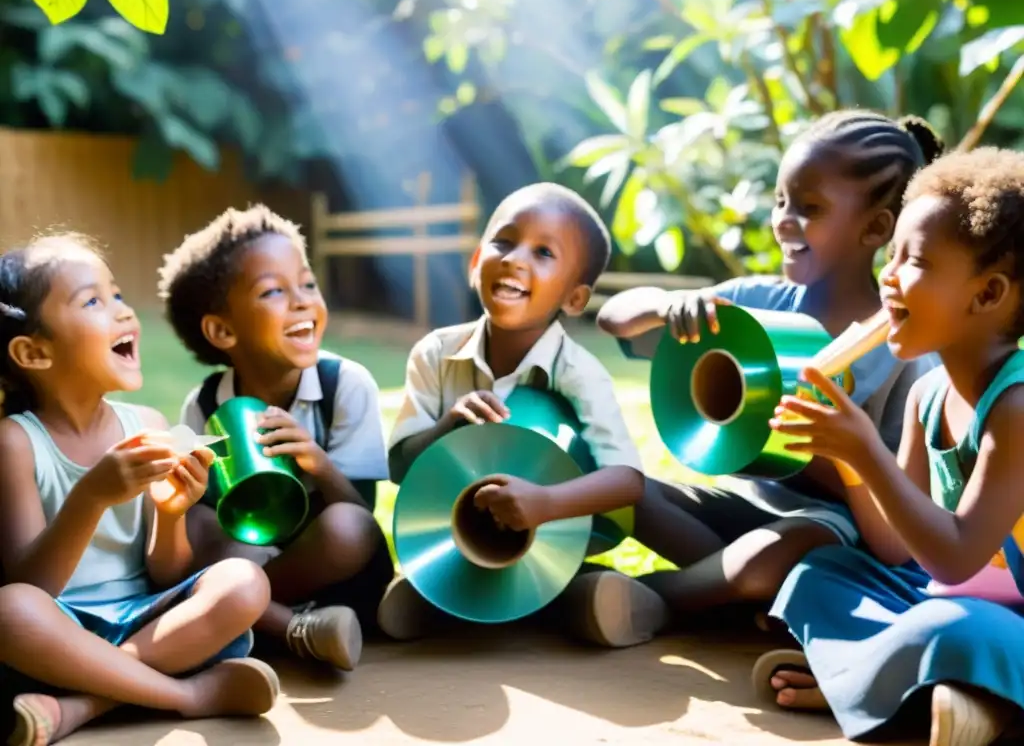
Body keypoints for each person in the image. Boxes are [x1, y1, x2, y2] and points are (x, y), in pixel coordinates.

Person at [594, 110, 943, 646]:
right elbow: (613, 318)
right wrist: (666, 305)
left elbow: (896, 514)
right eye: (781, 201)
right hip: (743, 510)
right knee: (629, 492)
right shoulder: (755, 303)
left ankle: (658, 595)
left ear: (876, 229)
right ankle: (728, 599)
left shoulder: (901, 352)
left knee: (781, 550)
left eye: (809, 209)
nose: (783, 221)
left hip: (830, 532)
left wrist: (828, 448)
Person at [756, 148, 1024, 746]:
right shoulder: (929, 394)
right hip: (949, 597)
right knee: (816, 574)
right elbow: (894, 546)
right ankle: (926, 692)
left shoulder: (1016, 408)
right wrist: (852, 458)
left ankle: (894, 687)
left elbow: (955, 556)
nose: (889, 274)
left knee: (952, 628)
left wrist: (867, 452)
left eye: (916, 260)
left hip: (1000, 614)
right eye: (892, 253)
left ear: (988, 295)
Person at [0, 234, 278, 746]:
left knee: (244, 582)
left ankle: (82, 704)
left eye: (119, 295)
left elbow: (166, 574)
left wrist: (170, 514)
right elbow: (33, 587)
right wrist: (91, 496)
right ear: (33, 352)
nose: (124, 313)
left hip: (145, 620)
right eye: (93, 301)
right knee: (9, 610)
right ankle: (189, 696)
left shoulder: (145, 423)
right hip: (59, 632)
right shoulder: (16, 443)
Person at [381, 182, 648, 642]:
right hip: (460, 536)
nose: (515, 258)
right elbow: (400, 466)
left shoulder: (580, 373)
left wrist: (544, 506)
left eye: (543, 252)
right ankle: (480, 596)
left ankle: (578, 595)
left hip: (554, 538)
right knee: (398, 612)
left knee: (587, 599)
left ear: (575, 299)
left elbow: (628, 480)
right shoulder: (435, 354)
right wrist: (449, 425)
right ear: (475, 263)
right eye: (503, 242)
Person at [158, 205, 392, 672]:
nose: (303, 300)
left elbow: (362, 516)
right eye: (273, 291)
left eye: (307, 283)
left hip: (328, 567)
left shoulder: (344, 384)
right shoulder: (204, 405)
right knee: (199, 525)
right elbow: (205, 530)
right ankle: (290, 627)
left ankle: (241, 617)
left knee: (349, 527)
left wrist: (318, 463)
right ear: (223, 330)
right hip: (250, 553)